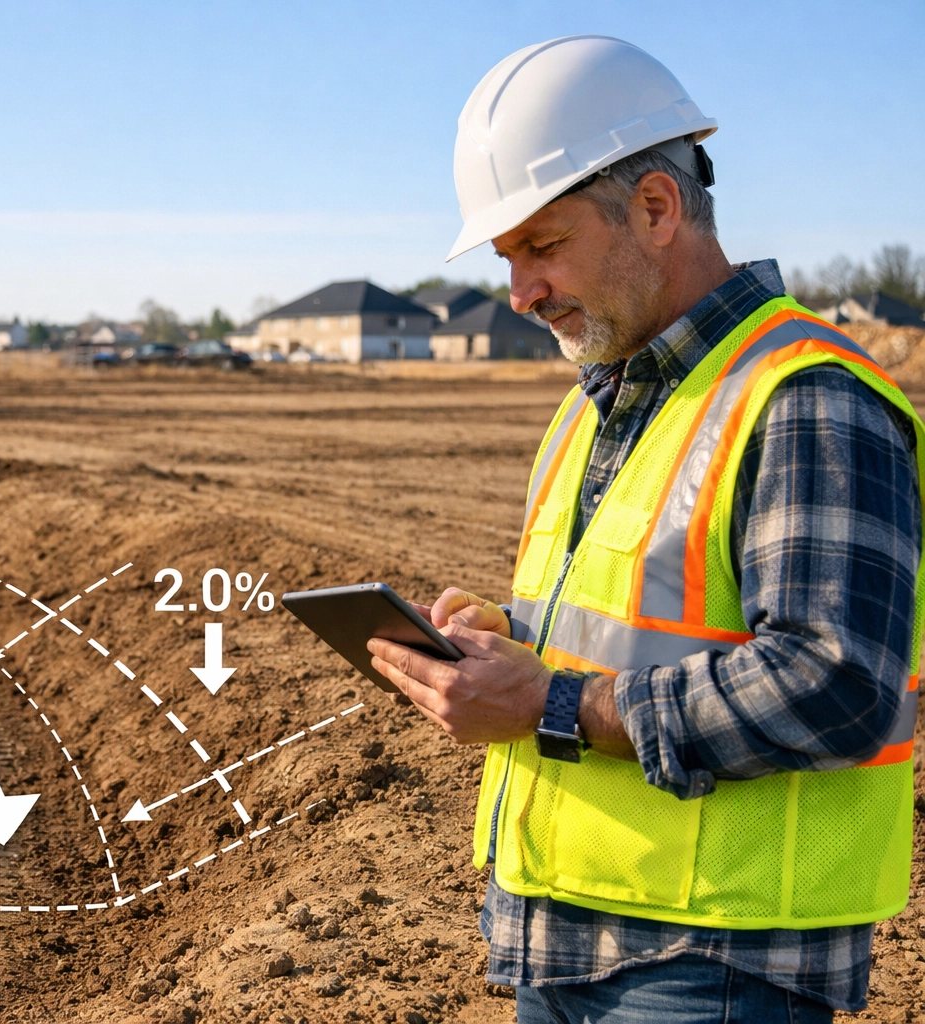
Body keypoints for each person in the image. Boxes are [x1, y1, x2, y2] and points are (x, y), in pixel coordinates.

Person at [366, 35, 925, 1024]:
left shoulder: (805, 398)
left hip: (713, 964)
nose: (520, 294)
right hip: (560, 939)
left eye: (543, 246)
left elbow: (837, 684)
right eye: (507, 260)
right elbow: (640, 625)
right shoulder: (597, 405)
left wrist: (547, 701)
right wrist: (508, 642)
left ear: (657, 208)